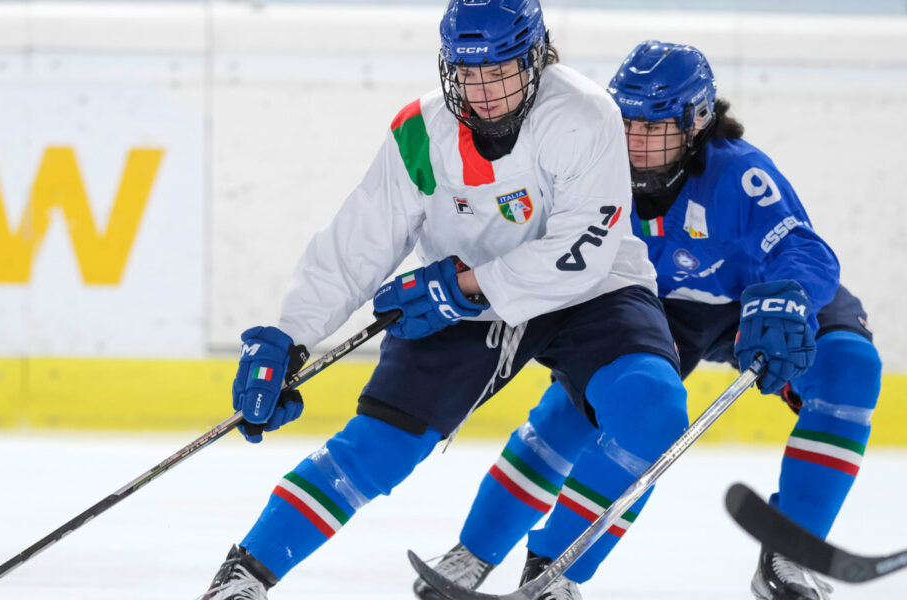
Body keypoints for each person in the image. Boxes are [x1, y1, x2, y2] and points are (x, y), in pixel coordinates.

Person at [199, 3, 694, 599]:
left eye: (501, 70)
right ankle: (244, 576)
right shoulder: (420, 131)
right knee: (381, 446)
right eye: (466, 71)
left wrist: (462, 287)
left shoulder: (586, 115)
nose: (482, 90)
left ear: (537, 55)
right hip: (461, 293)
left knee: (653, 407)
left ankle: (554, 574)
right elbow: (359, 239)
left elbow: (581, 251)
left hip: (592, 291)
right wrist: (291, 334)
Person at [414, 41, 882, 600]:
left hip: (757, 296)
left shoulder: (739, 172)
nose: (635, 141)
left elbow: (805, 250)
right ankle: (481, 557)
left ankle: (791, 555)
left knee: (850, 366)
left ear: (697, 122)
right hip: (662, 307)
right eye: (627, 122)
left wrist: (789, 298)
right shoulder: (592, 165)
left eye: (655, 126)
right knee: (575, 413)